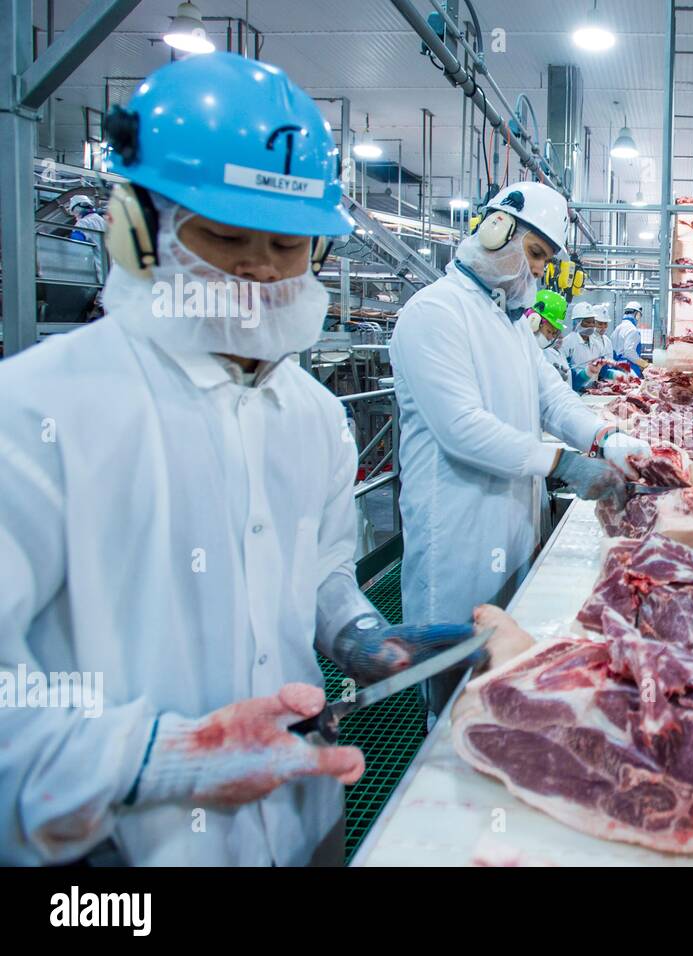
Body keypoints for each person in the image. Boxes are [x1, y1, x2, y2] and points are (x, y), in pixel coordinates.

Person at [0, 53, 458, 866]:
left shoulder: (311, 413)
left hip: (301, 809)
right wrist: (156, 758)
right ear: (136, 228)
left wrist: (354, 631)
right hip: (121, 847)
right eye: (225, 237)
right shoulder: (35, 413)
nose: (258, 270)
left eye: (287, 247)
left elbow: (318, 564)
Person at [389, 180, 650, 636]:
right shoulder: (434, 312)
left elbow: (551, 398)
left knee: (508, 655)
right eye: (533, 253)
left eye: (543, 260)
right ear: (496, 228)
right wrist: (563, 463)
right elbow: (461, 427)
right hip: (457, 529)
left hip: (514, 521)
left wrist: (604, 437)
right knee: (456, 682)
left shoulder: (508, 323)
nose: (535, 270)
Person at [562, 300, 611, 391]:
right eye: (587, 322)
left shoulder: (596, 342)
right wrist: (586, 374)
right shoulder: (567, 343)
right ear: (578, 323)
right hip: (575, 391)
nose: (591, 325)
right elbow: (568, 376)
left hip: (593, 390)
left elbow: (604, 370)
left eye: (593, 322)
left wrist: (618, 376)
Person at [531, 289, 570, 384]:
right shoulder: (516, 346)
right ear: (533, 321)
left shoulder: (543, 352)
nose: (550, 338)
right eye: (549, 331)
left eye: (554, 334)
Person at [612, 300, 648, 371]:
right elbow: (629, 352)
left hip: (616, 367)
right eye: (639, 316)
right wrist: (644, 364)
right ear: (636, 315)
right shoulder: (633, 330)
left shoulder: (617, 328)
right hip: (629, 369)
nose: (638, 319)